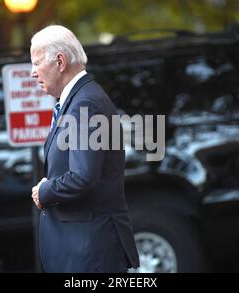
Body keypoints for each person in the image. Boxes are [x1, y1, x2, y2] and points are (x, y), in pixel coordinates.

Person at [30, 25, 139, 273]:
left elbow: (83, 176)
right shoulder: (78, 99)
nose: (32, 73)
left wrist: (45, 191)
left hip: (89, 255)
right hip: (85, 251)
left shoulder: (84, 103)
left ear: (60, 61)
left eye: (36, 63)